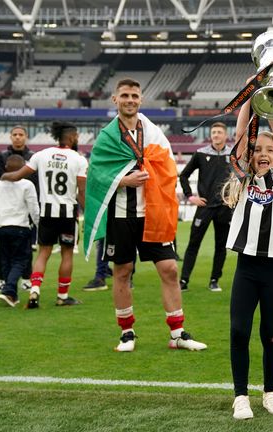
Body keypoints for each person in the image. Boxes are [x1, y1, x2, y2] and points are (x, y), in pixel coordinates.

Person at [83, 78, 207, 351]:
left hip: (153, 211)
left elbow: (168, 163)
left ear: (141, 100)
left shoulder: (152, 132)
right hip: (121, 213)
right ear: (115, 100)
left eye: (134, 96)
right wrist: (123, 181)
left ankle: (177, 334)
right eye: (125, 95)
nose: (130, 100)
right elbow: (96, 175)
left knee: (170, 269)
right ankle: (126, 333)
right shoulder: (106, 136)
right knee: (122, 271)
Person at [222, 100, 273, 420]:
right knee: (239, 331)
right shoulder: (243, 177)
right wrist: (251, 98)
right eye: (257, 149)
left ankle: (270, 392)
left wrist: (272, 100)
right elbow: (241, 132)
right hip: (247, 269)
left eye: (269, 149)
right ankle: (241, 396)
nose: (263, 153)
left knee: (271, 332)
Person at [1, 121, 88, 308]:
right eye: (77, 136)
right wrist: (88, 212)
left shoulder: (41, 155)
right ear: (72, 137)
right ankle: (62, 297)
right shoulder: (79, 159)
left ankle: (34, 291)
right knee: (67, 254)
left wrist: (4, 176)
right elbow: (82, 192)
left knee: (43, 253)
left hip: (46, 213)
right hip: (67, 214)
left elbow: (17, 175)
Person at [178, 122, 233, 292]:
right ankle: (184, 281)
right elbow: (184, 175)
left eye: (219, 132)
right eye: (213, 132)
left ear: (225, 135)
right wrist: (190, 196)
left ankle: (214, 280)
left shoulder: (233, 154)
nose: (216, 135)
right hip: (204, 206)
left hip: (225, 208)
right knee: (194, 243)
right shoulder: (201, 153)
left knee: (221, 246)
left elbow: (241, 176)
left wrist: (233, 197)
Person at [0, 155, 39, 307]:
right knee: (20, 261)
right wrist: (39, 226)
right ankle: (9, 290)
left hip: (2, 227)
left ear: (6, 168)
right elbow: (34, 209)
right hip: (20, 227)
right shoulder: (27, 185)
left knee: (6, 261)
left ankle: (11, 293)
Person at [0, 125, 37, 293]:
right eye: (15, 134)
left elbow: (36, 180)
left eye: (21, 134)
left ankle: (26, 279)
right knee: (2, 249)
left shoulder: (33, 157)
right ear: (11, 137)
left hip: (26, 204)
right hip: (6, 205)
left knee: (27, 247)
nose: (18, 137)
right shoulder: (2, 156)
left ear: (26, 137)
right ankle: (0, 279)